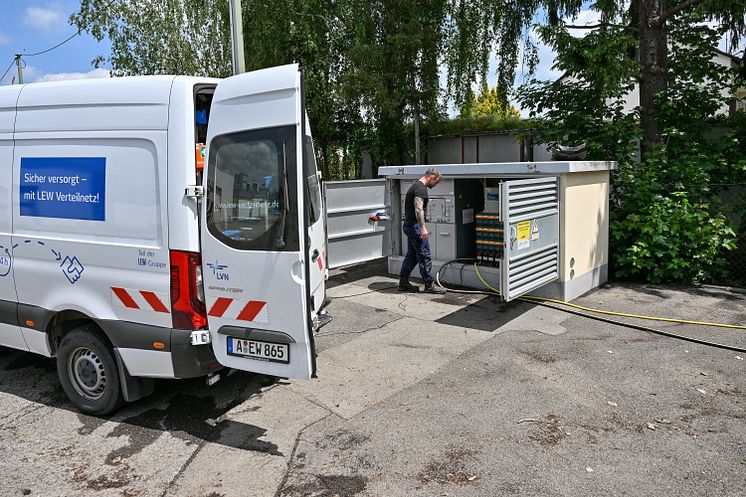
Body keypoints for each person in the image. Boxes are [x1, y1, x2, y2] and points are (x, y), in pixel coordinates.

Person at [399, 169, 447, 294]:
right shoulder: (421, 189)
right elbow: (419, 209)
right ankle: (429, 285)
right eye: (435, 182)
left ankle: (403, 283)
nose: (435, 185)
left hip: (409, 225)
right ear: (431, 177)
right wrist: (423, 227)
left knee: (412, 255)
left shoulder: (415, 186)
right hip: (415, 227)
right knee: (424, 255)